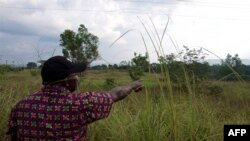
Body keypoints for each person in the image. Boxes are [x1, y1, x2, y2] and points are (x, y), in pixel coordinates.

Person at [7, 56, 143, 141]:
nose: (77, 78)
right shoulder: (80, 104)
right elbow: (116, 94)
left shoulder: (21, 105)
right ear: (67, 81)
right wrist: (133, 84)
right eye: (75, 75)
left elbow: (14, 135)